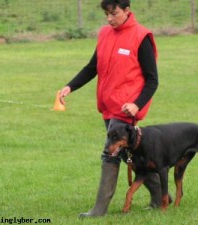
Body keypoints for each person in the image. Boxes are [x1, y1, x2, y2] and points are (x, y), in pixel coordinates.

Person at [59, 0, 162, 217]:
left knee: (110, 153)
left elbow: (152, 80)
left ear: (126, 11)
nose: (109, 18)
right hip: (108, 106)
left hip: (125, 111)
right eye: (106, 14)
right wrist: (70, 86)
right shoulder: (105, 34)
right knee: (127, 154)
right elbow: (91, 68)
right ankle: (161, 196)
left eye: (113, 13)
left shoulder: (140, 37)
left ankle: (98, 210)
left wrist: (137, 104)